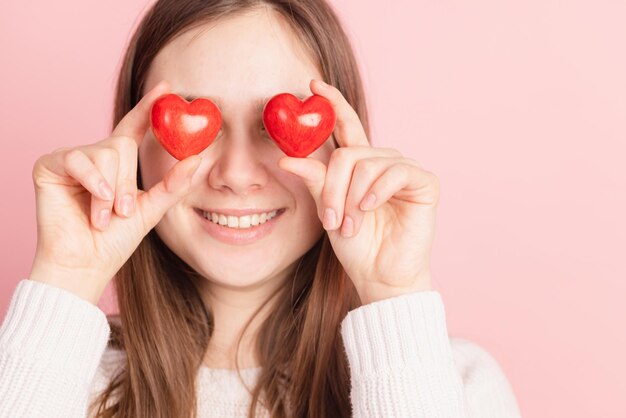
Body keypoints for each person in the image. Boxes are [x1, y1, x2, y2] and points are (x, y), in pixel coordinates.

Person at [0, 0, 522, 417]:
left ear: (343, 144)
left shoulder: (455, 385)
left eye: (275, 128)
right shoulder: (53, 375)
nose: (236, 174)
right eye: (199, 125)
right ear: (134, 149)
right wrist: (64, 281)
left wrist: (393, 295)